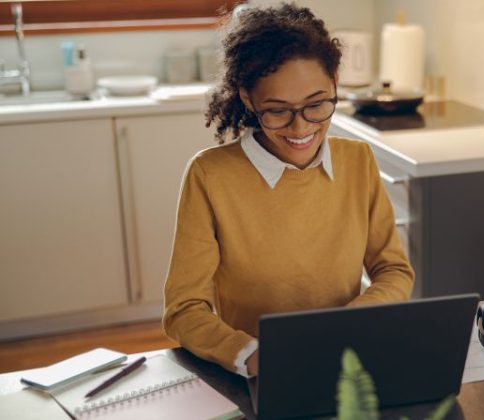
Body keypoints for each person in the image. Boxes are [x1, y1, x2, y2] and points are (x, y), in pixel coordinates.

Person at [162, 3, 414, 378]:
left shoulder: (358, 160)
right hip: (261, 372)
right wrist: (249, 355)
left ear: (335, 84)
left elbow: (393, 269)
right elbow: (184, 310)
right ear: (248, 98)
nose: (300, 129)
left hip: (347, 362)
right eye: (278, 110)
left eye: (316, 105)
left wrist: (359, 317)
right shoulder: (210, 176)